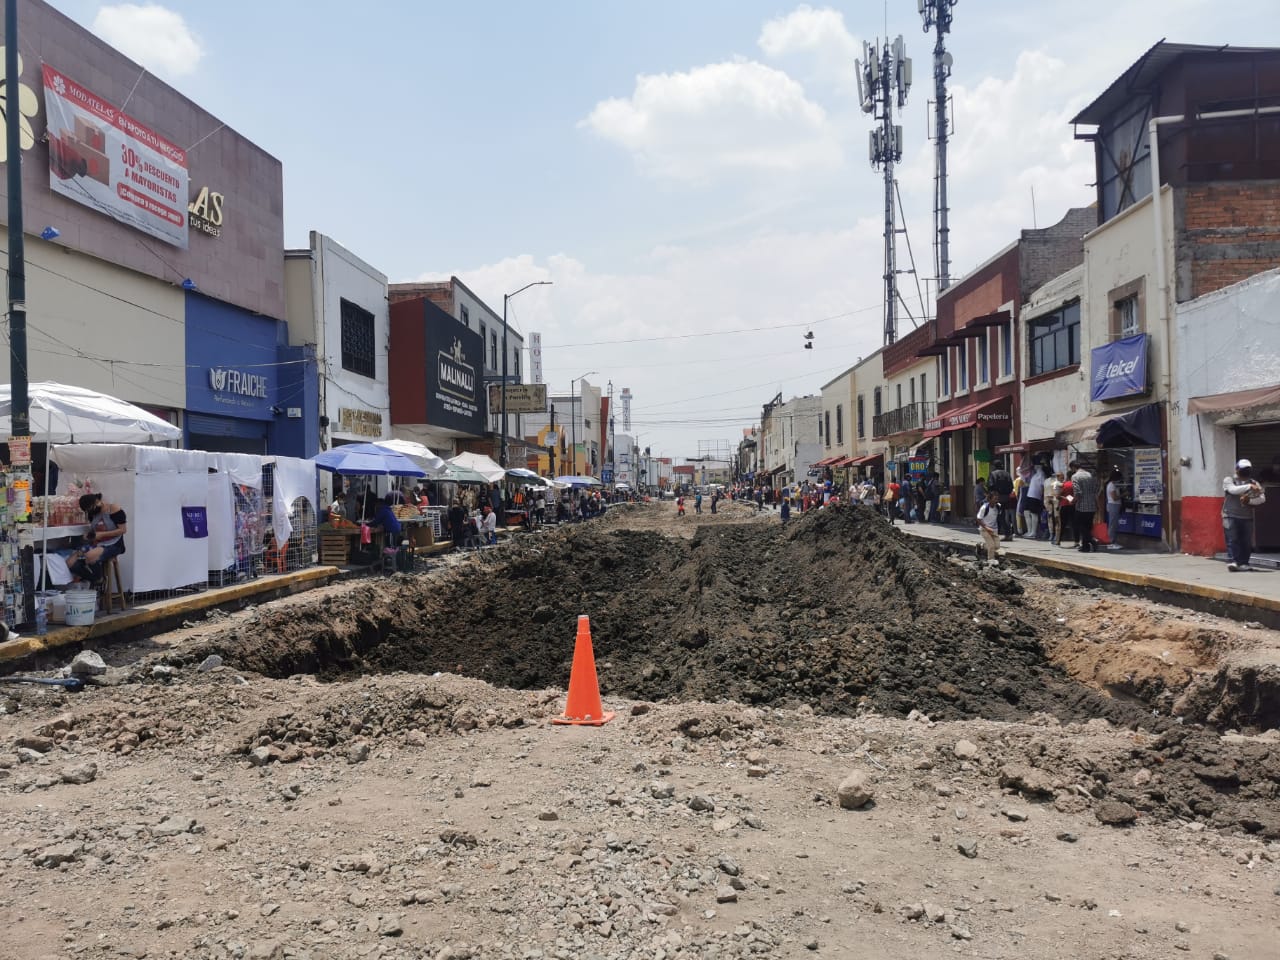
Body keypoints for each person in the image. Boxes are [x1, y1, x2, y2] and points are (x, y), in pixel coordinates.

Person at [69, 493, 127, 586]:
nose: (91, 511)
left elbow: (123, 530)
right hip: (97, 543)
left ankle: (98, 579)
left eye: (91, 508)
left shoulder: (113, 509)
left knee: (90, 556)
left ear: (97, 501)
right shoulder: (93, 514)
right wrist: (89, 536)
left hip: (114, 544)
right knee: (70, 562)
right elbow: (95, 531)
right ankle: (95, 579)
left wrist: (102, 534)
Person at [1223, 458, 1266, 571]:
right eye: (1243, 469)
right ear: (1237, 469)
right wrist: (1249, 487)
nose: (1245, 471)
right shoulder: (1229, 480)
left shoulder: (1253, 482)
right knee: (1232, 539)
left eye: (1247, 469)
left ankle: (1243, 563)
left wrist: (1250, 501)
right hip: (1230, 515)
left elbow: (1262, 498)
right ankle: (1233, 561)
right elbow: (1232, 490)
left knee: (1246, 541)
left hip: (1246, 516)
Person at [1069, 460, 1099, 553]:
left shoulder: (1075, 476)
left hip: (1081, 506)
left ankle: (1092, 540)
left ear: (1074, 467)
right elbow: (1095, 491)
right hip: (1092, 505)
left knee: (1079, 525)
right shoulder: (1090, 475)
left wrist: (1073, 501)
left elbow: (1078, 492)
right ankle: (1085, 546)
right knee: (1087, 526)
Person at [976, 489, 1001, 566]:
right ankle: (991, 560)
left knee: (997, 546)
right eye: (994, 499)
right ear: (989, 499)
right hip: (984, 529)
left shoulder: (998, 506)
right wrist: (986, 528)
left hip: (994, 529)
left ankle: (981, 546)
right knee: (991, 545)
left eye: (997, 499)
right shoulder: (984, 507)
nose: (996, 501)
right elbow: (978, 519)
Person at [989, 466, 1015, 540]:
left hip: (997, 498)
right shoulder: (1007, 474)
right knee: (1002, 515)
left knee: (998, 515)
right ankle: (1005, 533)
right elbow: (1011, 486)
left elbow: (991, 486)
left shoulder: (993, 474)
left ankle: (1005, 533)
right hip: (1006, 498)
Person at [1023, 463, 1047, 540]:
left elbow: (1043, 486)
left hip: (1035, 496)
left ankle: (1033, 532)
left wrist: (1043, 497)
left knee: (1034, 514)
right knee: (1026, 513)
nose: (1036, 467)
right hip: (1029, 495)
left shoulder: (1042, 475)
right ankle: (1029, 531)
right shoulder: (1035, 474)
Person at [1105, 466, 1124, 550]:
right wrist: (1124, 494)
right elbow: (1115, 497)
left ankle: (1113, 541)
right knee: (1113, 525)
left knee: (1114, 524)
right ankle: (1111, 542)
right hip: (1113, 505)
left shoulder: (1114, 485)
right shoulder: (1111, 485)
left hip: (1115, 505)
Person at [1058, 474, 1077, 547]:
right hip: (1073, 506)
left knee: (1062, 524)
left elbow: (1058, 495)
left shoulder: (1064, 484)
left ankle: (1058, 540)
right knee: (1074, 524)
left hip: (1064, 505)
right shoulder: (1075, 485)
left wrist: (1066, 497)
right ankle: (1076, 541)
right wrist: (1071, 498)